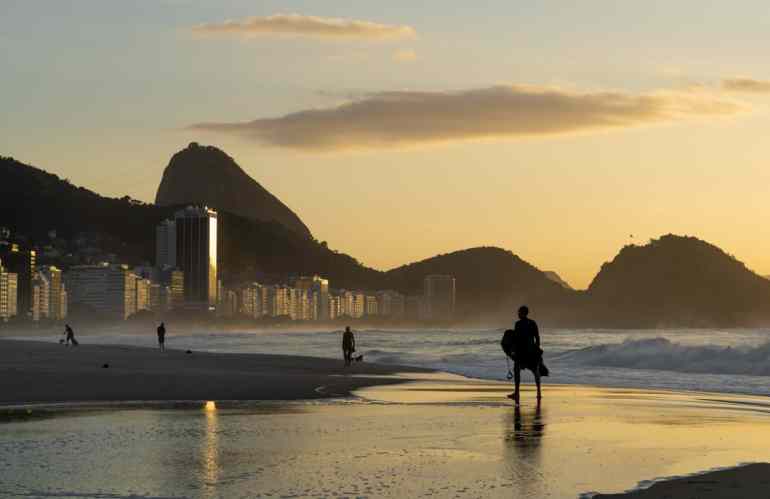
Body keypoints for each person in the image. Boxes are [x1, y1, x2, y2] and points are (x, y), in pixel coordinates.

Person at [501, 306, 545, 405]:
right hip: (531, 350)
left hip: (521, 351)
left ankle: (517, 393)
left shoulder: (518, 324)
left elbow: (516, 339)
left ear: (523, 313)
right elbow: (537, 337)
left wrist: (512, 350)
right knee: (535, 371)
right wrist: (537, 349)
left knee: (517, 370)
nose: (518, 314)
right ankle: (538, 393)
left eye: (519, 312)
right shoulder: (533, 323)